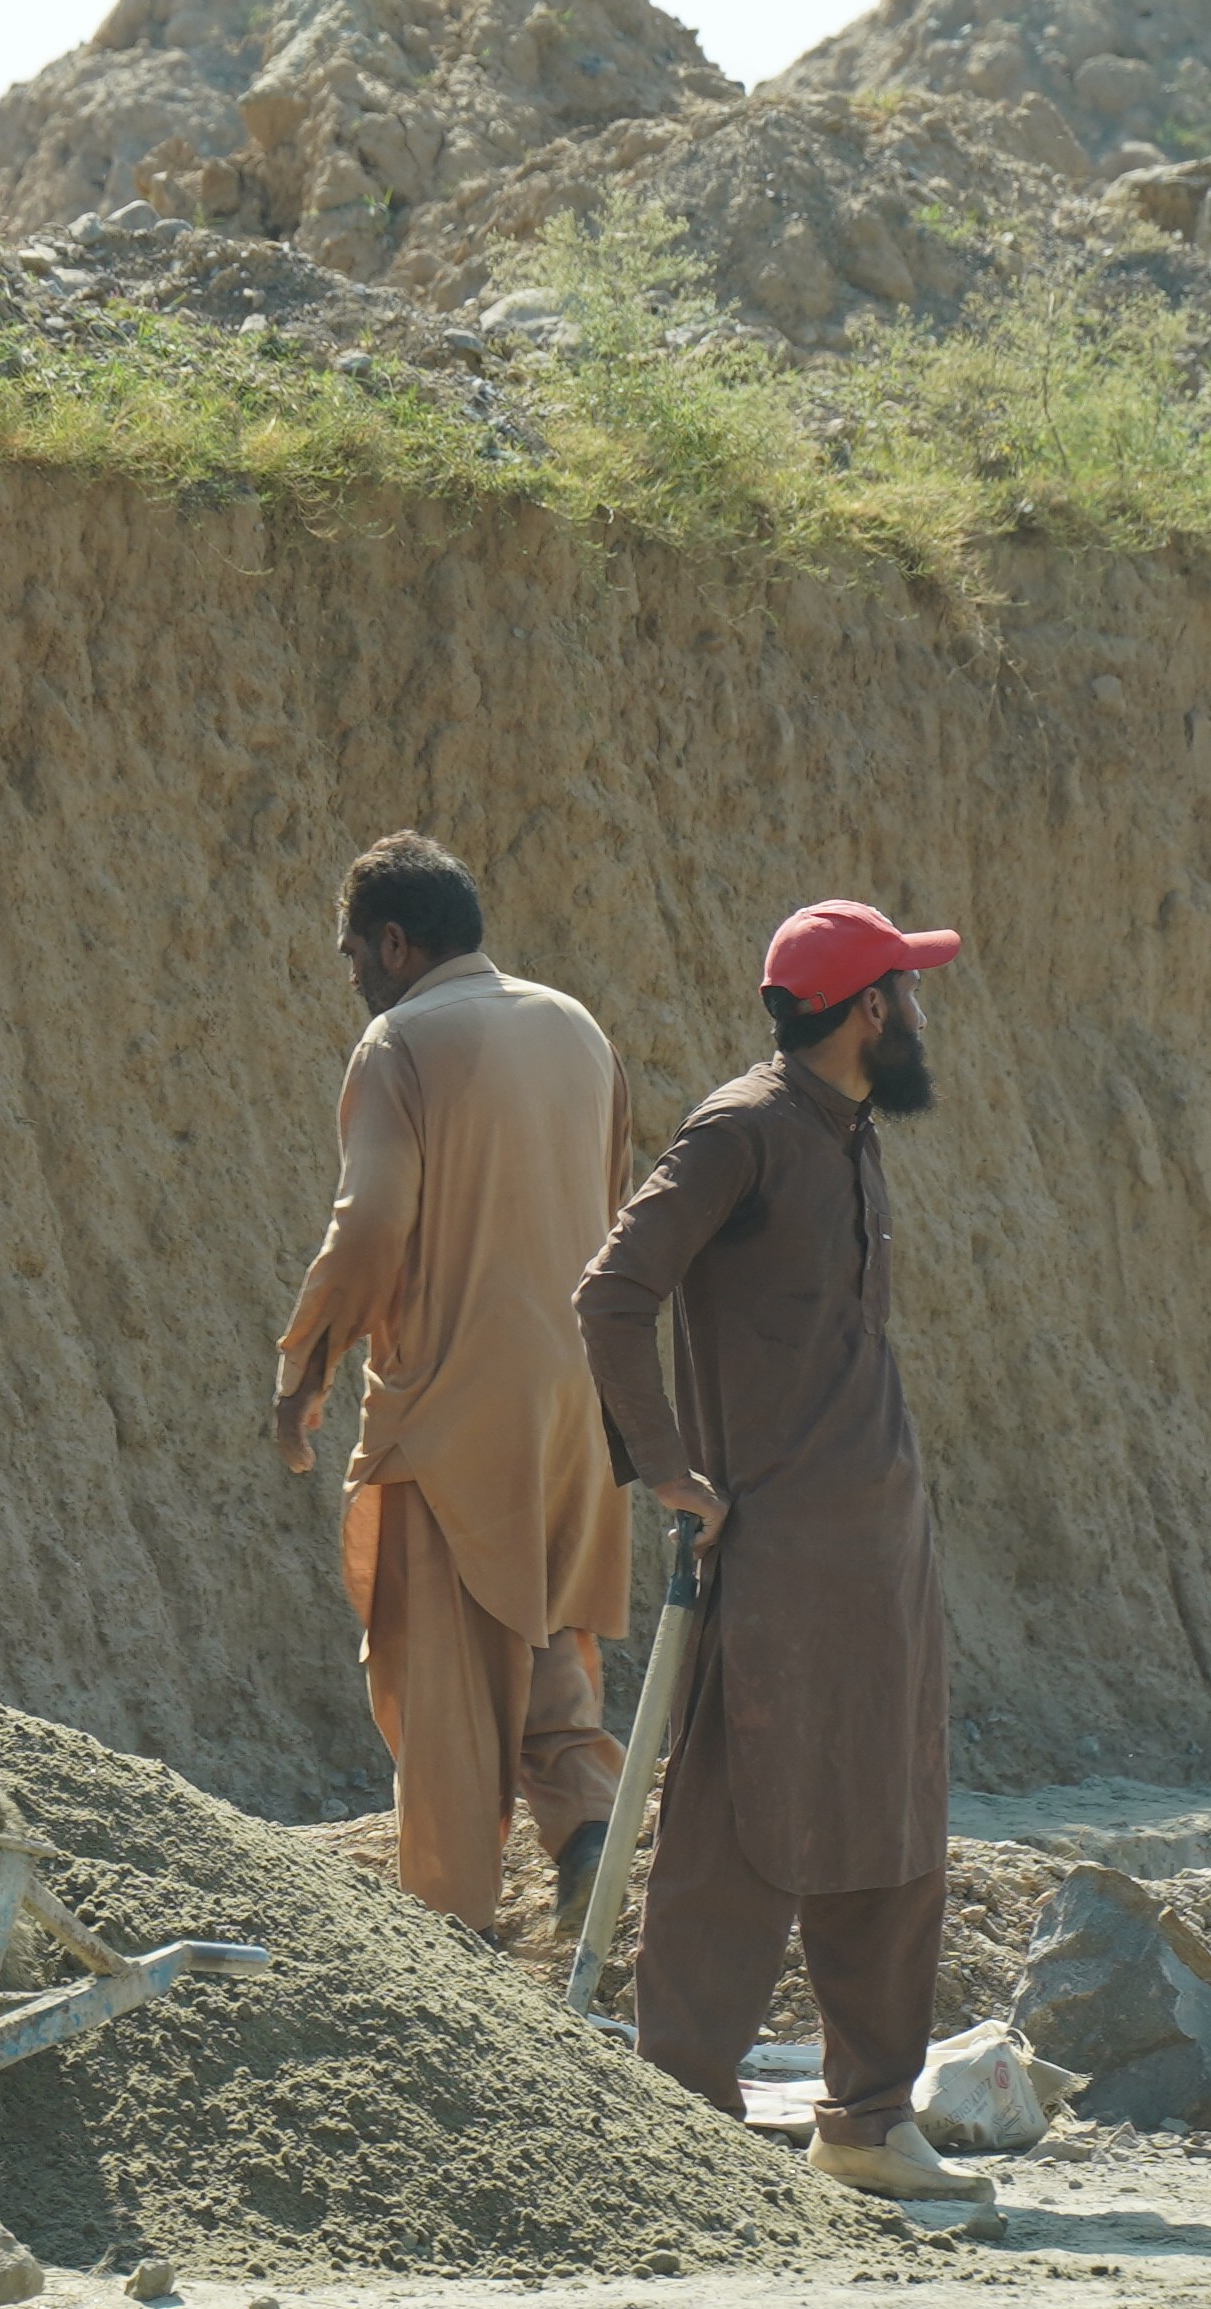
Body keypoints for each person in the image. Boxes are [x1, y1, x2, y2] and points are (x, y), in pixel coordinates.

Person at [572, 899, 998, 2205]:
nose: (921, 1018)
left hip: (882, 1550)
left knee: (892, 1820)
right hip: (780, 1554)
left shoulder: (851, 1137)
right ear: (869, 1010)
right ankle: (681, 2122)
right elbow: (613, 1290)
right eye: (909, 996)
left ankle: (868, 2120)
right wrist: (664, 1470)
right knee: (738, 1825)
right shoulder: (744, 1131)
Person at [271, 832, 638, 1934]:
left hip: (455, 1405)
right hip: (581, 1406)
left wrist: (307, 1365)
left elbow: (373, 1220)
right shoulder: (578, 1027)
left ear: (393, 941)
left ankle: (452, 1945)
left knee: (443, 1686)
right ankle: (584, 1827)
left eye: (353, 959)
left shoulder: (400, 1041)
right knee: (539, 1629)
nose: (354, 984)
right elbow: (614, 1203)